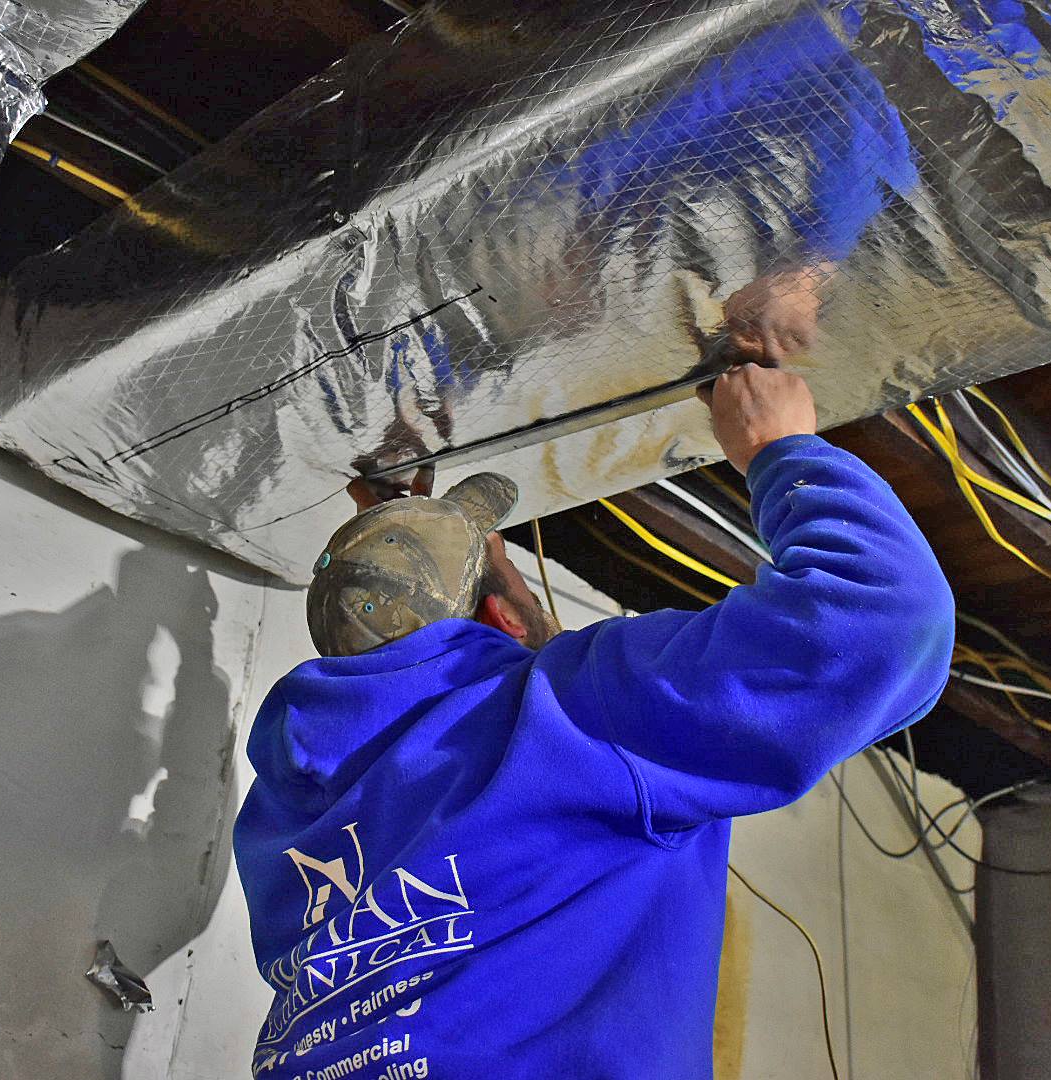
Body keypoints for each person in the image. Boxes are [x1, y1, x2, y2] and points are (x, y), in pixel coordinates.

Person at [234, 363, 955, 1079]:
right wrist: (777, 448)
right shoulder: (577, 712)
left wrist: (405, 551)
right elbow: (884, 617)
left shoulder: (286, 828)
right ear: (504, 618)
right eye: (513, 582)